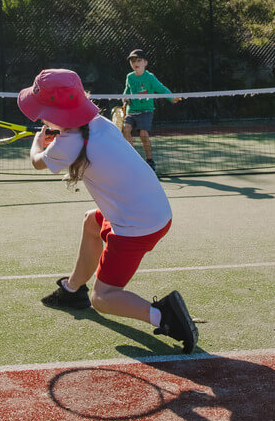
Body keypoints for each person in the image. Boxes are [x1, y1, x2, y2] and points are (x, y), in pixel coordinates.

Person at [19, 67, 198, 353]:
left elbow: (38, 162)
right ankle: (73, 290)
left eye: (42, 111)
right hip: (156, 214)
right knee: (93, 222)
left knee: (102, 299)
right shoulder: (97, 123)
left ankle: (165, 317)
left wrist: (37, 142)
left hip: (137, 228)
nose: (39, 117)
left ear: (59, 113)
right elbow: (75, 146)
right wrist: (56, 134)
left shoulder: (69, 142)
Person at [120, 49, 181, 173]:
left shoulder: (150, 77)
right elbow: (126, 91)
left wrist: (171, 97)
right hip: (131, 111)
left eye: (138, 60)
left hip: (146, 111)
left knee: (144, 134)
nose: (135, 63)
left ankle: (150, 160)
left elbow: (161, 89)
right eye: (132, 61)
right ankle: (133, 159)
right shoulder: (129, 77)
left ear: (145, 63)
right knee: (126, 130)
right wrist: (124, 98)